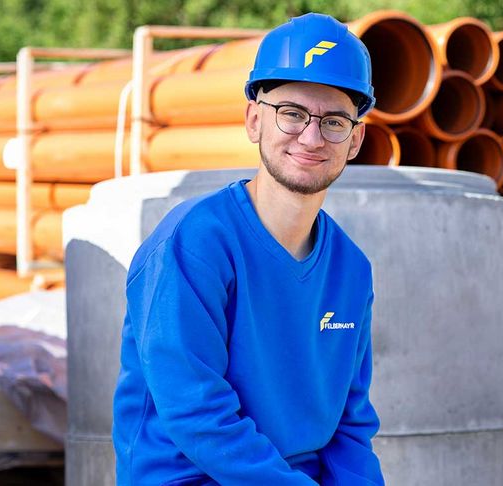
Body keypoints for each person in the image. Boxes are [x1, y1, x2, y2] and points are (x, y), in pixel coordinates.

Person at [112, 12, 385, 485]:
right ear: (254, 120)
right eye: (292, 113)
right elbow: (198, 417)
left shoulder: (350, 269)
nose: (312, 136)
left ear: (356, 138)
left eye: (335, 121)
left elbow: (350, 428)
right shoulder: (194, 244)